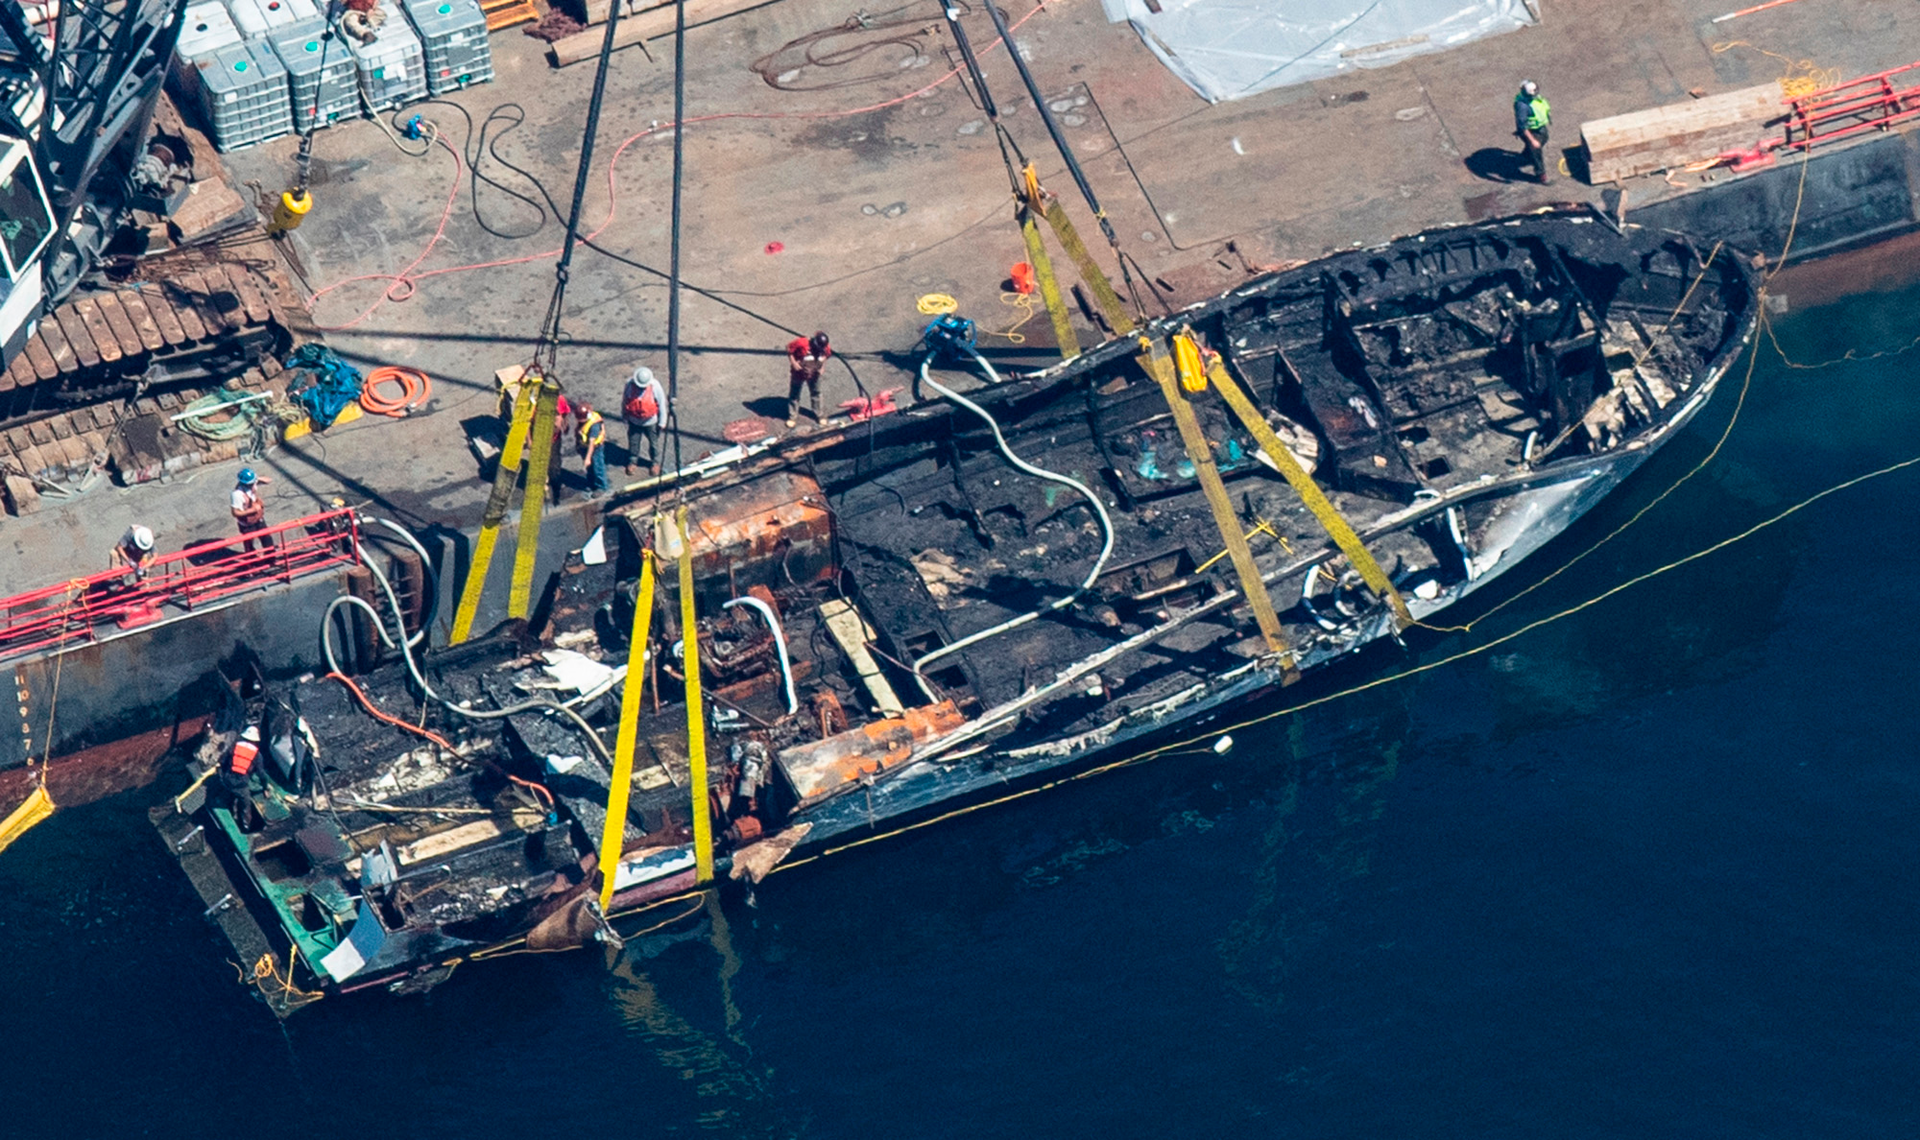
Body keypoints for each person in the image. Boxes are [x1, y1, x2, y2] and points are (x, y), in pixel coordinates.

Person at [622, 365, 667, 476]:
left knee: (653, 444)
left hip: (651, 422)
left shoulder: (655, 386)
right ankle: (633, 461)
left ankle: (655, 463)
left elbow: (661, 404)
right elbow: (625, 401)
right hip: (634, 421)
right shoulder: (629, 385)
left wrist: (662, 422)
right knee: (633, 442)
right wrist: (624, 415)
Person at [785, 330, 832, 428]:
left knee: (816, 393)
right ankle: (792, 416)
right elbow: (789, 349)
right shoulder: (802, 343)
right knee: (795, 394)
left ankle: (819, 414)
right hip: (799, 372)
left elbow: (826, 355)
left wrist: (822, 367)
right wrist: (793, 363)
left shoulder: (825, 347)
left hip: (815, 372)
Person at [1514, 80, 1552, 185]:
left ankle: (1526, 155)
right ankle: (1541, 176)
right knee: (1537, 152)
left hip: (1540, 127)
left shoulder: (1533, 96)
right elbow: (1523, 127)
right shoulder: (1522, 106)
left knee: (1544, 138)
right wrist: (1532, 140)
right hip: (1531, 131)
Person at [231, 468, 273, 551]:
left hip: (258, 519)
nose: (253, 485)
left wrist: (257, 478)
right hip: (247, 524)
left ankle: (271, 558)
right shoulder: (237, 495)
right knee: (249, 545)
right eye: (251, 483)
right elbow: (235, 512)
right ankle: (252, 561)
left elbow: (269, 480)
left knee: (267, 539)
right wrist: (252, 510)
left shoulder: (252, 483)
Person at [575, 399, 609, 496]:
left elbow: (592, 443)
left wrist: (588, 458)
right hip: (584, 447)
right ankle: (591, 483)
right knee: (590, 469)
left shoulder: (594, 425)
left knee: (598, 467)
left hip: (595, 449)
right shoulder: (583, 421)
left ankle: (601, 487)